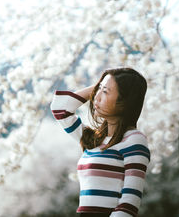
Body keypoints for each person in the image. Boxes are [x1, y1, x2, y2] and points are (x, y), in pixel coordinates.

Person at [50, 67, 150, 217]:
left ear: (124, 102)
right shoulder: (93, 140)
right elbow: (60, 108)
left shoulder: (134, 140)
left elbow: (130, 201)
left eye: (105, 92)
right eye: (98, 89)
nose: (96, 97)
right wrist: (103, 84)